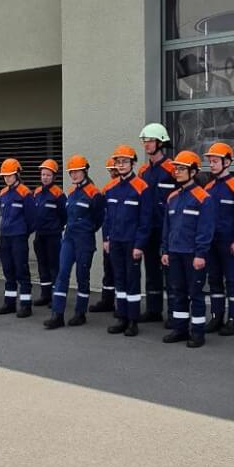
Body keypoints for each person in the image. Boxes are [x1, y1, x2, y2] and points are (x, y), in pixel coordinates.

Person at [161, 151, 214, 348]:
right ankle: (180, 329)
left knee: (195, 294)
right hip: (174, 253)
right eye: (176, 168)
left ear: (193, 172)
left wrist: (200, 254)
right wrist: (165, 251)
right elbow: (167, 227)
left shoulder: (203, 198)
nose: (177, 172)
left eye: (182, 169)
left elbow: (205, 230)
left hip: (192, 255)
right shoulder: (172, 197)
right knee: (178, 292)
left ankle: (198, 333)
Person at [44, 155, 104, 328]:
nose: (74, 175)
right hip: (69, 239)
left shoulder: (94, 193)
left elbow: (99, 218)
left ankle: (80, 313)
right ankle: (57, 315)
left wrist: (87, 229)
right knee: (62, 274)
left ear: (85, 171)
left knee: (82, 276)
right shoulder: (70, 192)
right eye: (71, 172)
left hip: (84, 240)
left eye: (77, 171)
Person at [101, 145, 152, 336]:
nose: (121, 165)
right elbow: (107, 217)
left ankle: (133, 321)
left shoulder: (142, 187)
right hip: (115, 241)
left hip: (132, 243)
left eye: (125, 161)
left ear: (133, 163)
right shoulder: (111, 188)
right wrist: (106, 238)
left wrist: (139, 245)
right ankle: (121, 317)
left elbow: (145, 220)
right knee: (119, 280)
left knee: (132, 281)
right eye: (118, 162)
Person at [203, 142, 234, 335]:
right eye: (210, 161)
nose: (212, 165)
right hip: (211, 242)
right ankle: (217, 316)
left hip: (228, 242)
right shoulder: (208, 187)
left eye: (215, 161)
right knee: (214, 279)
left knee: (232, 280)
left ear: (227, 162)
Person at [137, 123, 177, 324]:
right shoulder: (143, 171)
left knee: (171, 273)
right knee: (151, 270)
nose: (147, 145)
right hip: (149, 229)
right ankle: (153, 310)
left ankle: (174, 314)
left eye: (150, 141)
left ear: (161, 143)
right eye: (145, 141)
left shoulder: (173, 169)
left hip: (168, 229)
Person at [0, 158, 36, 318]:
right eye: (5, 176)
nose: (7, 178)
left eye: (10, 175)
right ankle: (9, 303)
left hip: (18, 237)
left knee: (21, 270)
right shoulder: (3, 193)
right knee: (8, 270)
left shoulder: (25, 193)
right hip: (5, 237)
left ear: (17, 174)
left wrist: (23, 233)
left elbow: (32, 219)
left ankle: (26, 305)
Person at [31, 159, 67, 307]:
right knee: (42, 265)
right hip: (40, 235)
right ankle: (45, 295)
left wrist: (57, 227)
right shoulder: (37, 192)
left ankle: (55, 297)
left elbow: (64, 215)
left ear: (54, 176)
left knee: (54, 267)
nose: (45, 177)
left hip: (53, 236)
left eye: (48, 175)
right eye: (43, 174)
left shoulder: (58, 194)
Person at [89, 159, 118, 313]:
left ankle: (123, 307)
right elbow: (103, 216)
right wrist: (105, 237)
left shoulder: (129, 187)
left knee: (122, 272)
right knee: (108, 269)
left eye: (114, 169)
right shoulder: (107, 189)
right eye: (111, 170)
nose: (112, 172)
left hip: (123, 237)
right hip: (110, 236)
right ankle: (107, 301)